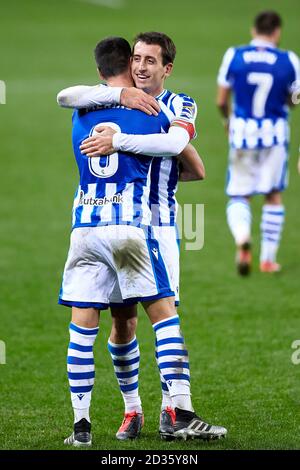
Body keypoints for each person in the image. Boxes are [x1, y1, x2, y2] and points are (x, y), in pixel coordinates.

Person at [59, 32, 227, 442]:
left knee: (162, 313)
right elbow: (67, 94)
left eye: (151, 60)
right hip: (128, 227)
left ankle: (174, 408)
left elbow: (186, 156)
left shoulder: (178, 104)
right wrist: (120, 98)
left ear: (166, 68)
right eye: (136, 59)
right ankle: (133, 409)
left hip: (158, 225)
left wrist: (118, 140)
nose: (141, 67)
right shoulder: (108, 98)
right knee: (125, 321)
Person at [216, 10, 300, 275]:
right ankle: (267, 259)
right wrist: (288, 101)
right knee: (273, 195)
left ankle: (242, 238)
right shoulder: (288, 60)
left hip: (242, 132)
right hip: (275, 134)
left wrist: (228, 121)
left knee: (240, 194)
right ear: (277, 32)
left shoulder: (235, 55)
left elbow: (221, 99)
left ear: (254, 31)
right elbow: (297, 98)